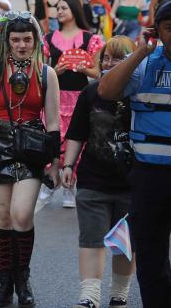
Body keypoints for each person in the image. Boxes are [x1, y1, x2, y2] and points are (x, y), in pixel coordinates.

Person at [0, 11, 61, 307]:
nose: (22, 45)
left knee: (21, 214)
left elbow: (54, 121)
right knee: (1, 218)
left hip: (32, 146)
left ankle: (23, 279)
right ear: (7, 42)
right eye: (15, 40)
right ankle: (5, 282)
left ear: (35, 40)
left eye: (27, 39)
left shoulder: (46, 73)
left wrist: (56, 162)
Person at [98, 0, 171, 308]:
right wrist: (142, 49)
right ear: (158, 30)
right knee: (151, 257)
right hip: (149, 175)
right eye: (169, 28)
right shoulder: (145, 62)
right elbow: (106, 90)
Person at [62, 36, 137, 308]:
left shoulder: (139, 93)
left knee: (125, 244)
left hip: (132, 184)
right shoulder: (91, 93)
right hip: (93, 180)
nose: (108, 63)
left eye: (116, 58)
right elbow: (77, 133)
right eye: (105, 58)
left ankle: (119, 293)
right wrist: (68, 165)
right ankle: (89, 296)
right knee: (91, 238)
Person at [42, 0, 104, 207]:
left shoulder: (90, 39)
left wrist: (82, 68)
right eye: (57, 8)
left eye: (63, 8)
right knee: (52, 138)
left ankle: (70, 187)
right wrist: (54, 71)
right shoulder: (49, 38)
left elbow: (97, 72)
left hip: (79, 98)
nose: (58, 11)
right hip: (55, 97)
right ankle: (50, 182)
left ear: (75, 10)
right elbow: (40, 70)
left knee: (75, 141)